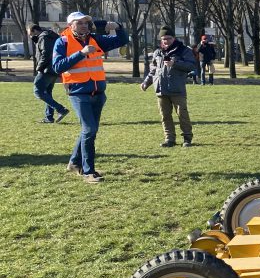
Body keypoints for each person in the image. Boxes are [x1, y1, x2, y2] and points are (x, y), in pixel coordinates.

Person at [51, 11, 128, 184]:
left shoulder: (95, 39)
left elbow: (123, 41)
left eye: (86, 22)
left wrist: (119, 27)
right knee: (89, 130)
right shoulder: (62, 41)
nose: (84, 25)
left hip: (98, 93)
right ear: (71, 25)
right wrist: (81, 53)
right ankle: (88, 172)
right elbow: (57, 67)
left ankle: (74, 162)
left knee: (89, 130)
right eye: (80, 23)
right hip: (78, 93)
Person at [140, 25, 198, 147]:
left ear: (174, 38)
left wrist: (174, 63)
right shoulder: (157, 52)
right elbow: (153, 70)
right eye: (164, 39)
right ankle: (169, 139)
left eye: (169, 38)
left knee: (182, 114)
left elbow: (191, 65)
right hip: (161, 90)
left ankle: (187, 138)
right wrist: (146, 82)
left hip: (177, 89)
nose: (166, 41)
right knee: (165, 116)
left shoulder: (183, 50)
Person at [28, 23, 69, 124]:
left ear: (33, 31)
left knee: (38, 91)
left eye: (29, 32)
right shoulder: (50, 36)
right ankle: (49, 117)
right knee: (47, 92)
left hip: (46, 69)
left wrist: (39, 67)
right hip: (54, 69)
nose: (29, 35)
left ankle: (60, 109)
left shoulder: (43, 37)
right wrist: (35, 41)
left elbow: (46, 54)